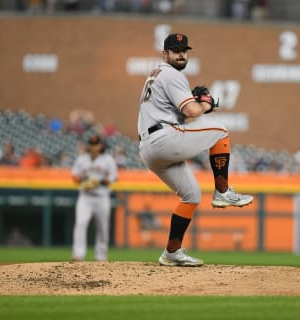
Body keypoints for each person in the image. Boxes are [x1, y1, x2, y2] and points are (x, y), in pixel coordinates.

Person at [137, 33, 253, 267]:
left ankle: (172, 252)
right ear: (165, 54)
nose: (181, 54)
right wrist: (205, 104)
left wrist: (198, 106)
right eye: (176, 50)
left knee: (191, 195)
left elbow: (182, 113)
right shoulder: (171, 74)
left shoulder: (156, 75)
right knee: (221, 130)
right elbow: (192, 112)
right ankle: (222, 191)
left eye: (184, 50)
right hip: (163, 138)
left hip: (149, 147)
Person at [71, 134, 118, 261]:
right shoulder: (81, 159)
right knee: (80, 224)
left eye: (96, 144)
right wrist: (84, 179)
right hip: (85, 197)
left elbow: (113, 177)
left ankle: (101, 256)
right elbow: (74, 176)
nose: (93, 147)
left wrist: (99, 181)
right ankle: (78, 254)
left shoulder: (108, 159)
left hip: (102, 197)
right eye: (91, 144)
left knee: (103, 228)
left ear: (101, 145)